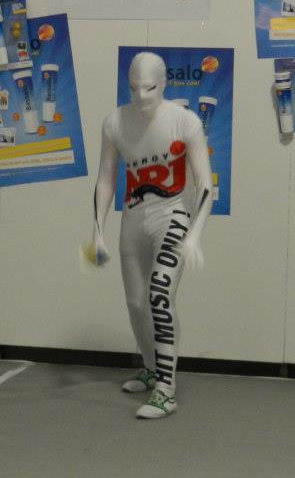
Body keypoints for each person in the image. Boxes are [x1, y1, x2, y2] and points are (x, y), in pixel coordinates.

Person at [89, 52, 213, 419]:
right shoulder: (114, 123)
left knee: (159, 295)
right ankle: (150, 367)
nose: (141, 96)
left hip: (173, 215)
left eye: (149, 88)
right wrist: (97, 231)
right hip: (133, 217)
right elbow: (106, 178)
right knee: (135, 303)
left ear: (163, 84)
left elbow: (205, 184)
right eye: (134, 88)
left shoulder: (185, 122)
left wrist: (195, 234)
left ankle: (166, 390)